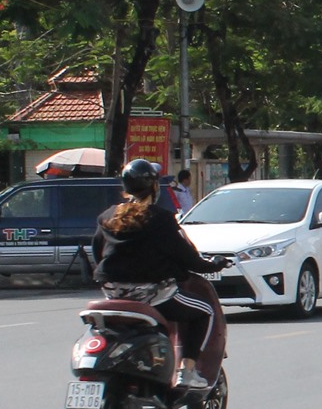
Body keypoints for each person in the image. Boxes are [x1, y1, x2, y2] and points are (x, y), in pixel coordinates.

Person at [91, 159, 224, 390]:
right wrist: (214, 265)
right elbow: (188, 258)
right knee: (205, 311)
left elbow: (97, 251)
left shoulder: (108, 216)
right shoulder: (161, 219)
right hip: (153, 296)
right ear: (154, 187)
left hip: (113, 294)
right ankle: (187, 372)